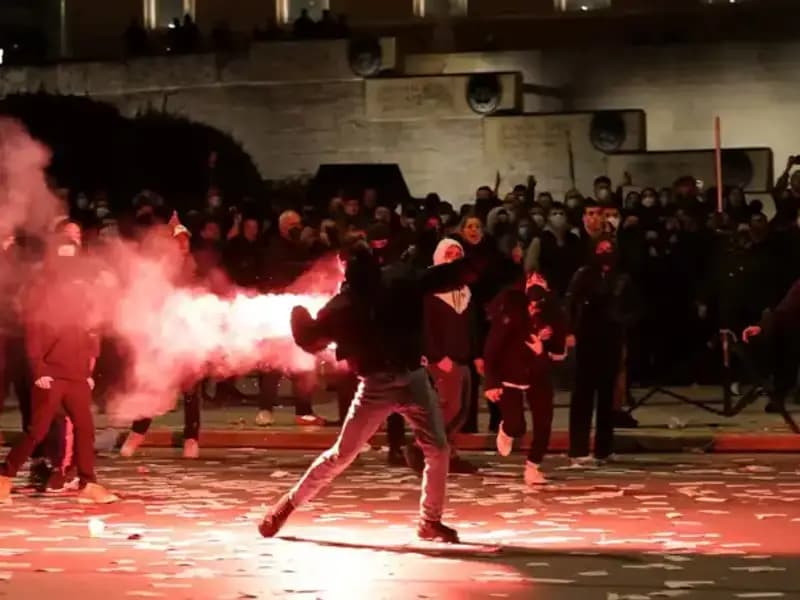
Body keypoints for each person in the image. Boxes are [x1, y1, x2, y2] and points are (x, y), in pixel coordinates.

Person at [258, 240, 487, 543]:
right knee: (437, 450)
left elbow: (309, 341)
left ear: (346, 269)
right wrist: (477, 261)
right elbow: (443, 276)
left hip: (386, 383)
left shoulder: (344, 304)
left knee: (343, 455)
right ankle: (429, 521)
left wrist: (299, 316)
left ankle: (286, 506)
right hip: (407, 378)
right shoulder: (396, 279)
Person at [0, 238, 117, 504]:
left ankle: (88, 483)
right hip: (51, 373)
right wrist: (39, 369)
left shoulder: (82, 293)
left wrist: (88, 369)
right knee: (37, 430)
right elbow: (34, 332)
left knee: (85, 428)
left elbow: (89, 331)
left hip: (75, 374)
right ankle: (5, 476)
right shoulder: (43, 291)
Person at [120, 221, 203, 459]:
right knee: (151, 386)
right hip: (162, 340)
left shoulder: (195, 270)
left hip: (188, 340)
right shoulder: (158, 270)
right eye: (178, 241)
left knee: (190, 393)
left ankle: (191, 438)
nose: (184, 245)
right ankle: (137, 434)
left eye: (186, 240)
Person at [402, 239, 480, 475]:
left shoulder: (464, 291)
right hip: (443, 360)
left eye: (458, 253)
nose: (454, 257)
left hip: (462, 357)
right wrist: (437, 356)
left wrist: (476, 355)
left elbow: (472, 326)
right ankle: (419, 447)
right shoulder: (431, 290)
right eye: (450, 253)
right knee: (448, 407)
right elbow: (426, 327)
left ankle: (449, 453)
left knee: (462, 409)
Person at [483, 274, 568, 485]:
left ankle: (533, 465)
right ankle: (508, 429)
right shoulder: (510, 312)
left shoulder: (552, 312)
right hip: (511, 375)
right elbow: (493, 349)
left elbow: (559, 351)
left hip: (538, 374)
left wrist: (546, 344)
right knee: (516, 425)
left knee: (543, 422)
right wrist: (491, 382)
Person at [565, 237, 640, 466]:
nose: (605, 253)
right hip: (587, 338)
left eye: (609, 249)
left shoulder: (622, 278)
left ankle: (604, 449)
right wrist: (570, 331)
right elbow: (570, 303)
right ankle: (578, 450)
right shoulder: (584, 275)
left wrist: (622, 321)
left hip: (612, 339)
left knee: (608, 397)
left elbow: (636, 307)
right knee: (583, 395)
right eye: (601, 249)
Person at [256, 210, 326, 427]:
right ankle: (266, 409)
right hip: (279, 309)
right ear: (283, 227)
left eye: (298, 223)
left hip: (301, 310)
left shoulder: (304, 245)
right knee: (273, 365)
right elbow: (279, 270)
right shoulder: (274, 247)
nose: (297, 227)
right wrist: (308, 268)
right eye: (292, 224)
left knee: (304, 363)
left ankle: (304, 410)